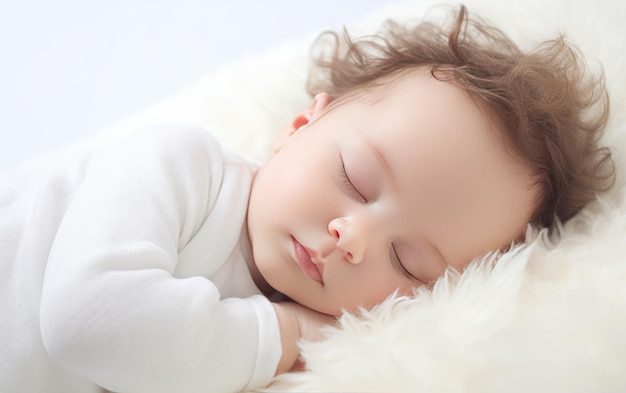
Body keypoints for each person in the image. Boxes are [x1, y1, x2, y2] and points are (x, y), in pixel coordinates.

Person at [0, 5, 614, 393]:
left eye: (407, 261)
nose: (355, 236)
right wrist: (283, 332)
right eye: (354, 178)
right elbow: (84, 324)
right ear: (299, 127)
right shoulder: (181, 167)